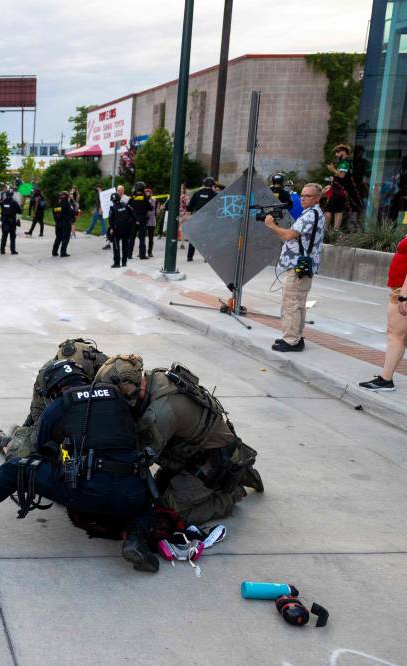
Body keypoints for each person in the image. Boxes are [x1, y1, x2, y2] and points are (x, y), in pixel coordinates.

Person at [0, 358, 159, 572]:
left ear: (54, 388)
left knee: (15, 469)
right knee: (144, 493)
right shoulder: (118, 398)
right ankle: (135, 539)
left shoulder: (62, 404)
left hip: (85, 492)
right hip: (130, 495)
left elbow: (38, 447)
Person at [95, 356, 263, 525]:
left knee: (171, 513)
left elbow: (141, 459)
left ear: (129, 387)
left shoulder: (159, 413)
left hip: (213, 459)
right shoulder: (153, 378)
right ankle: (239, 473)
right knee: (156, 492)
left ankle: (231, 494)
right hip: (195, 448)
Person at [0, 338, 110, 460]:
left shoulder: (109, 372)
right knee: (22, 453)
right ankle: (8, 440)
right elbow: (40, 414)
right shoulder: (50, 376)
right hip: (64, 425)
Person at [264, 183, 324, 352]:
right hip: (302, 266)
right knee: (298, 303)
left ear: (317, 198)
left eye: (308, 196)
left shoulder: (310, 215)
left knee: (291, 303)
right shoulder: (314, 213)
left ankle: (290, 340)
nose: (303, 198)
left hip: (298, 268)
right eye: (302, 195)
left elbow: (289, 235)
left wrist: (271, 225)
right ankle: (295, 336)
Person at [358, 232, 407, 391]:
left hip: (402, 289)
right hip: (399, 287)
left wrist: (405, 293)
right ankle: (386, 378)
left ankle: (386, 379)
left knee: (395, 335)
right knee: (400, 336)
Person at [325, 144, 362, 232]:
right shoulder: (347, 162)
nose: (336, 155)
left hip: (339, 191)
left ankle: (324, 230)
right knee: (338, 211)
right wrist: (333, 178)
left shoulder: (345, 162)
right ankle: (335, 232)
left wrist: (332, 169)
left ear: (344, 152)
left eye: (338, 152)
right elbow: (344, 177)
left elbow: (341, 175)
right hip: (343, 191)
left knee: (328, 210)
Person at [185, 177, 217, 262]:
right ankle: (206, 257)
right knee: (207, 238)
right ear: (212, 185)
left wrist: (189, 212)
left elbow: (189, 208)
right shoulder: (214, 195)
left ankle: (189, 257)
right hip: (208, 218)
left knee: (194, 237)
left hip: (197, 217)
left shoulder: (197, 193)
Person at [107, 192, 137, 268]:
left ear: (112, 200)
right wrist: (134, 224)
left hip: (117, 230)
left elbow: (110, 220)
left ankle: (117, 263)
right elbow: (133, 215)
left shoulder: (112, 208)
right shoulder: (126, 205)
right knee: (125, 245)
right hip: (127, 229)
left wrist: (111, 228)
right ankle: (124, 262)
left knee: (116, 246)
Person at [129, 182, 153, 260]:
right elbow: (150, 208)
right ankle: (142, 255)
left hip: (133, 220)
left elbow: (128, 207)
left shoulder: (132, 198)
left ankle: (129, 254)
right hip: (142, 220)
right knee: (142, 238)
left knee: (132, 237)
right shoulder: (145, 198)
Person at [0, 189, 22, 255]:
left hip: (4, 221)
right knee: (12, 236)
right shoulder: (14, 202)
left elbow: (3, 209)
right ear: (12, 195)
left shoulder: (3, 202)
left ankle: (2, 250)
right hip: (12, 222)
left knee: (4, 236)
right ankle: (13, 250)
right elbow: (19, 211)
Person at [51, 191, 74, 258]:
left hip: (58, 223)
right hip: (65, 223)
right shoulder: (67, 204)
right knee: (66, 238)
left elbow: (54, 213)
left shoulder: (56, 204)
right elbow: (71, 213)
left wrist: (56, 220)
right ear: (67, 197)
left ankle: (54, 252)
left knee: (58, 237)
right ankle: (63, 252)